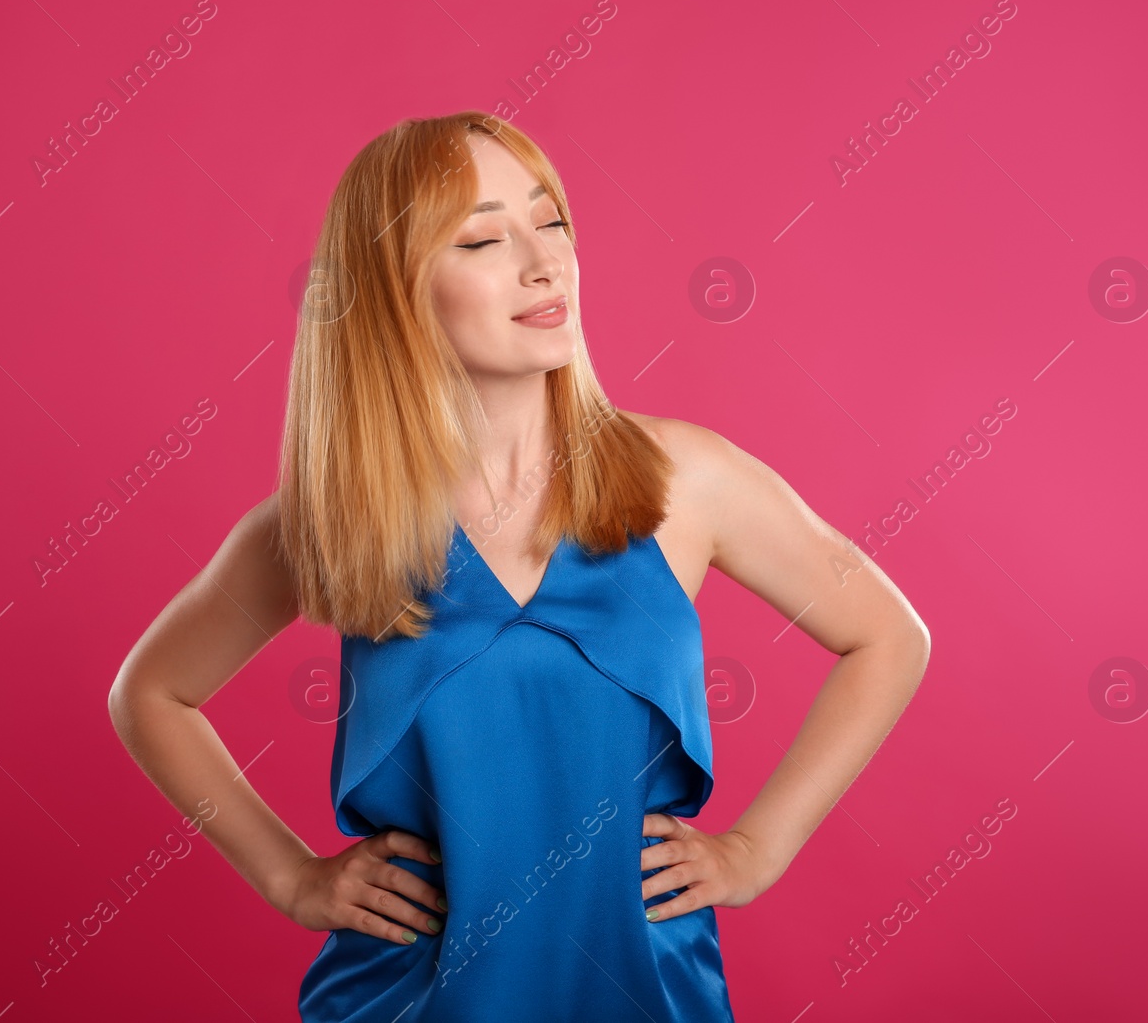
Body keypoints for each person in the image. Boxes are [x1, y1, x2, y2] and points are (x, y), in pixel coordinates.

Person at [108, 111, 930, 1021]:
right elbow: (150, 694)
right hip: (408, 998)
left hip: (647, 992)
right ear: (395, 290)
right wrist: (291, 878)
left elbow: (888, 637)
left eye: (552, 221)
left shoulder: (686, 480)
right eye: (483, 239)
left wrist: (757, 850)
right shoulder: (325, 524)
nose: (545, 263)